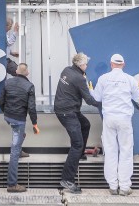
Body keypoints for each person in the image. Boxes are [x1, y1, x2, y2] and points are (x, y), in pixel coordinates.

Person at [91, 53, 139, 197]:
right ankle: (125, 187)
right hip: (124, 119)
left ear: (111, 64)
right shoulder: (130, 79)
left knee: (110, 151)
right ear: (123, 64)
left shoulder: (103, 79)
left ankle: (113, 186)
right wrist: (138, 88)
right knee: (126, 152)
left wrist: (90, 89)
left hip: (109, 118)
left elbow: (96, 98)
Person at [54, 52, 101, 194]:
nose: (87, 65)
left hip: (65, 108)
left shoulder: (66, 70)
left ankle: (79, 154)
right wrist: (105, 103)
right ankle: (67, 179)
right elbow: (89, 100)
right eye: (86, 63)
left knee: (85, 124)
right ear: (81, 65)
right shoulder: (79, 78)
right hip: (67, 112)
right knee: (77, 144)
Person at [0, 63, 39, 193]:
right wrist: (35, 124)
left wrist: (6, 111)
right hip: (18, 119)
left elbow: (0, 100)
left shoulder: (8, 82)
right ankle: (11, 184)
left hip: (8, 117)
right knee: (14, 151)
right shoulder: (29, 86)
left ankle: (19, 148)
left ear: (16, 71)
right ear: (27, 73)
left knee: (18, 134)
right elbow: (31, 108)